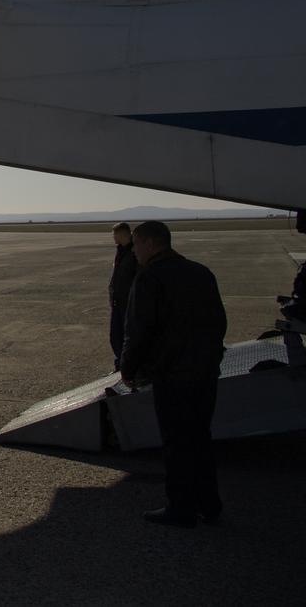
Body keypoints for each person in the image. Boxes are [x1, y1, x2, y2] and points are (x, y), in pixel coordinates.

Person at [121, 221, 227, 527]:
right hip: (205, 371)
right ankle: (210, 504)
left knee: (177, 442)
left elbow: (139, 331)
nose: (135, 252)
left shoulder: (150, 278)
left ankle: (181, 508)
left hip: (173, 375)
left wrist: (129, 369)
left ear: (152, 244)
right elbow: (218, 322)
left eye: (137, 245)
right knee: (200, 437)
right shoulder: (201, 272)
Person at [107, 222, 138, 371]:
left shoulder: (135, 252)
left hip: (128, 301)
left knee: (126, 335)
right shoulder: (120, 250)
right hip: (117, 300)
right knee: (115, 335)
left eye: (115, 234)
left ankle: (127, 366)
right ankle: (120, 364)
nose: (113, 237)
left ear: (122, 234)